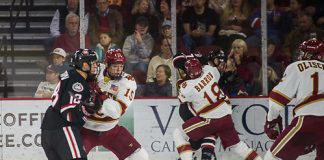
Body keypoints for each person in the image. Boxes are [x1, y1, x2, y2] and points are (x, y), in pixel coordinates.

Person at [173, 56, 262, 160]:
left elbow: (182, 99)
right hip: (226, 116)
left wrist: (180, 83)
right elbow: (205, 66)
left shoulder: (187, 87)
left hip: (209, 119)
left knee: (178, 133)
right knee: (237, 146)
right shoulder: (209, 70)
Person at [81, 48, 149, 160]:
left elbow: (117, 111)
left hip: (110, 130)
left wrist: (100, 94)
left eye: (121, 66)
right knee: (73, 156)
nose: (118, 70)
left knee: (141, 156)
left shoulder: (127, 81)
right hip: (86, 129)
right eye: (115, 66)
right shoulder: (95, 69)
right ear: (106, 64)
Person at [264, 38, 324, 160]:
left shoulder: (297, 66)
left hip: (307, 121)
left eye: (303, 53)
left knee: (272, 157)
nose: (301, 56)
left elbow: (277, 100)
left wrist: (271, 120)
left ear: (309, 54)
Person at [41, 49, 99, 160]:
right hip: (62, 129)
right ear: (85, 65)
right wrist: (88, 109)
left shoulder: (71, 74)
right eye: (94, 63)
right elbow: (68, 114)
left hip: (48, 130)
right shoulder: (78, 82)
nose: (96, 65)